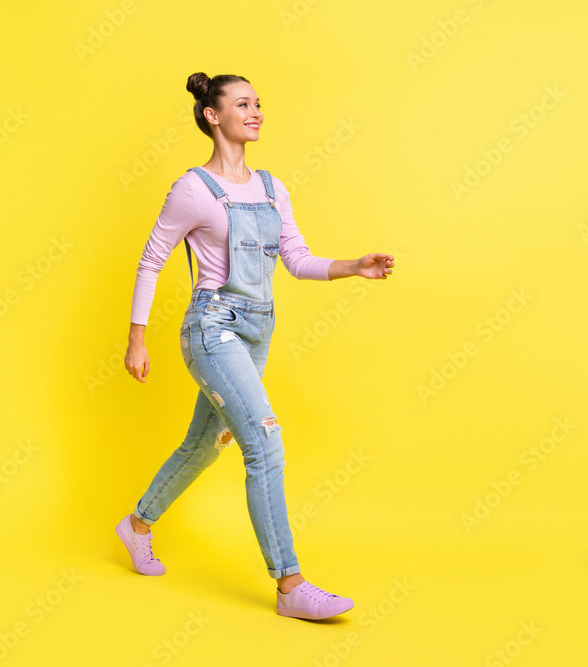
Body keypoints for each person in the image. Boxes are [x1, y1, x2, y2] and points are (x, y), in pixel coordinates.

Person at [116, 71, 393, 620]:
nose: (257, 111)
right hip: (212, 329)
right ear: (212, 115)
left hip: (257, 332)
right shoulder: (193, 188)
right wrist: (137, 339)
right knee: (265, 446)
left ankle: (137, 525)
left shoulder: (272, 188)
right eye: (244, 104)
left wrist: (351, 268)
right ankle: (290, 586)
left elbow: (297, 260)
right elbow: (152, 261)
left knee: (202, 446)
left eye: (259, 103)